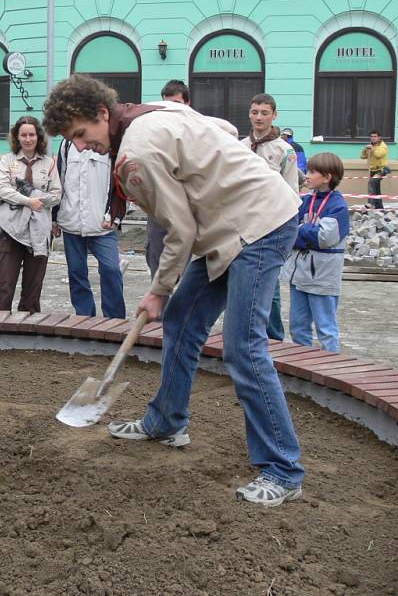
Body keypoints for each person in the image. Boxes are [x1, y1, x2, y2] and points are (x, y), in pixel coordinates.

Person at [43, 74, 305, 507]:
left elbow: (179, 231)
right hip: (229, 228)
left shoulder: (135, 156)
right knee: (184, 321)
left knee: (244, 347)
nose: (84, 146)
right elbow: (223, 129)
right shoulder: (153, 110)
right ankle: (165, 422)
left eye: (82, 135)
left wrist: (159, 290)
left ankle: (283, 469)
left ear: (102, 114)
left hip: (259, 226)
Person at [145, 80, 239, 279]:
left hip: (190, 208)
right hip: (161, 208)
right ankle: (160, 306)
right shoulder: (157, 129)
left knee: (188, 269)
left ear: (187, 104)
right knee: (158, 266)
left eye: (177, 103)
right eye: (167, 103)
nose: (171, 109)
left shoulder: (200, 125)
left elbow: (230, 130)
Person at [241, 93, 299, 342]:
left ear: (274, 115)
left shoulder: (285, 151)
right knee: (242, 285)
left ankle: (274, 341)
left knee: (270, 289)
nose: (259, 117)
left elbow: (291, 193)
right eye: (255, 112)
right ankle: (247, 335)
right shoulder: (240, 146)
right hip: (243, 226)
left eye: (265, 113)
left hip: (272, 226)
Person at [0, 116, 61, 313]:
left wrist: (35, 196)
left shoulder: (49, 164)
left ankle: (28, 328)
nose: (28, 139)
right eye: (23, 135)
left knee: (33, 287)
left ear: (38, 137)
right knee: (4, 283)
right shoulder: (7, 160)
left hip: (39, 231)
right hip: (11, 229)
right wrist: (29, 200)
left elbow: (56, 195)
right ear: (17, 137)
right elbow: (2, 189)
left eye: (31, 135)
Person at [282, 153, 348, 353]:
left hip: (322, 277)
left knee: (325, 328)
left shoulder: (338, 205)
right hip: (299, 275)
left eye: (312, 172)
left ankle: (332, 373)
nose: (306, 176)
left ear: (327, 177)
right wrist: (302, 232)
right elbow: (288, 230)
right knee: (298, 327)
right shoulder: (306, 201)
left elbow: (325, 238)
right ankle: (304, 369)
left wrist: (300, 231)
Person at [54, 138, 126, 319]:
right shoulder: (67, 144)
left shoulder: (110, 142)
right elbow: (59, 181)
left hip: (102, 224)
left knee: (112, 270)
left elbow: (121, 185)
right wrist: (54, 217)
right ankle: (84, 318)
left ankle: (115, 320)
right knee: (77, 273)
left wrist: (115, 216)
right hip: (72, 222)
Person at [361, 130, 389, 209]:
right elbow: (363, 156)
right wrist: (365, 149)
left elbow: (378, 155)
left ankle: (370, 203)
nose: (373, 138)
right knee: (376, 189)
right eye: (371, 136)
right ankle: (379, 208)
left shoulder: (383, 146)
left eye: (375, 136)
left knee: (372, 182)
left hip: (382, 169)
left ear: (379, 137)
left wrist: (372, 149)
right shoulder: (370, 146)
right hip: (372, 170)